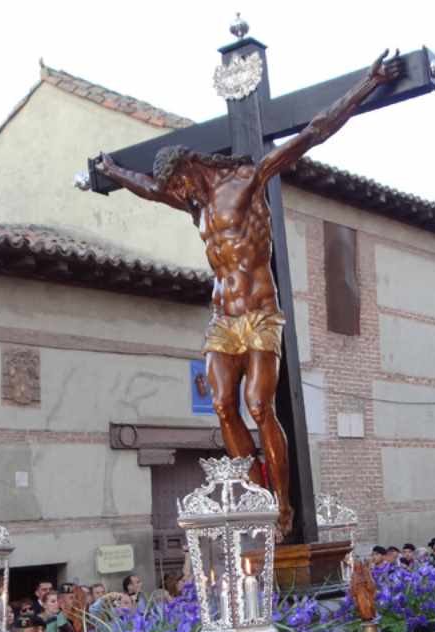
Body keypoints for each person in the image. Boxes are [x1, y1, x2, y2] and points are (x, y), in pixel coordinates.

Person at [98, 50, 402, 534]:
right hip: (223, 319)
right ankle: (250, 493)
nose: (172, 196)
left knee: (261, 407)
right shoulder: (193, 206)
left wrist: (368, 83)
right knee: (222, 406)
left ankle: (282, 504)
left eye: (175, 187)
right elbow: (147, 189)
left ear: (189, 171)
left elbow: (313, 132)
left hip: (260, 314)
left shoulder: (246, 180)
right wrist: (111, 172)